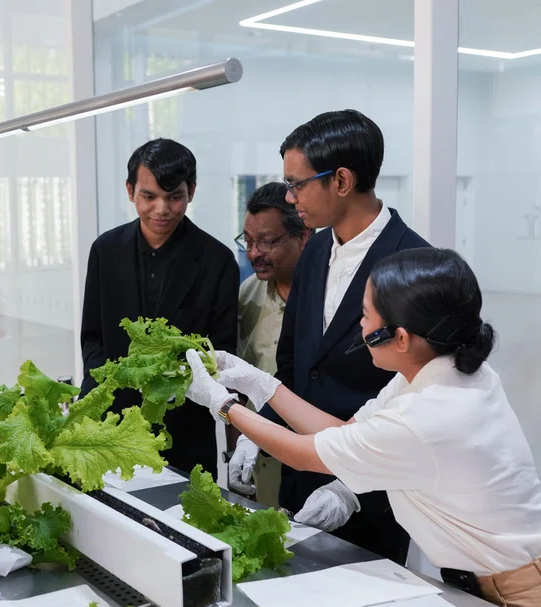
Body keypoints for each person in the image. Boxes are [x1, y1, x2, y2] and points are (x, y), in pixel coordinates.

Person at [184, 247, 541, 607]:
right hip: (494, 579)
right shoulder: (437, 374)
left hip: (517, 594)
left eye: (367, 314)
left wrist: (223, 406)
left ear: (400, 338)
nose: (360, 324)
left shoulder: (429, 415)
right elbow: (342, 432)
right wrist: (262, 385)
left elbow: (305, 454)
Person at [229, 110, 430, 564]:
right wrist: (259, 430)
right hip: (300, 483)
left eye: (297, 183)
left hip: (373, 501)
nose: (289, 195)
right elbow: (293, 367)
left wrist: (351, 488)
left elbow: (414, 410)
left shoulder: (414, 264)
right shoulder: (315, 247)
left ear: (340, 180)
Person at [80, 138, 239, 477]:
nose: (161, 209)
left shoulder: (217, 261)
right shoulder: (105, 251)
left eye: (174, 197)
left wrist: (172, 389)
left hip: (184, 430)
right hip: (113, 426)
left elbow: (221, 353)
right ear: (130, 191)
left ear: (191, 191)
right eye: (149, 196)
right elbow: (92, 337)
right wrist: (98, 395)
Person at [229, 182, 311, 499]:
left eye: (266, 242)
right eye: (247, 241)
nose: (253, 253)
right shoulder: (248, 293)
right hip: (256, 458)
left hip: (311, 457)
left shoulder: (326, 299)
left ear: (303, 236)